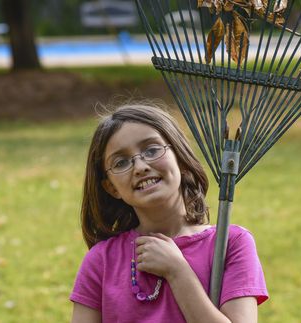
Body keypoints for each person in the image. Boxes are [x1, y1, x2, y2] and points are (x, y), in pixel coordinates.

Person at [70, 103, 268, 322]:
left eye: (152, 150)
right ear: (111, 187)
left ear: (180, 158)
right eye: (121, 162)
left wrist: (178, 272)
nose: (140, 166)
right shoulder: (102, 261)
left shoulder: (231, 244)